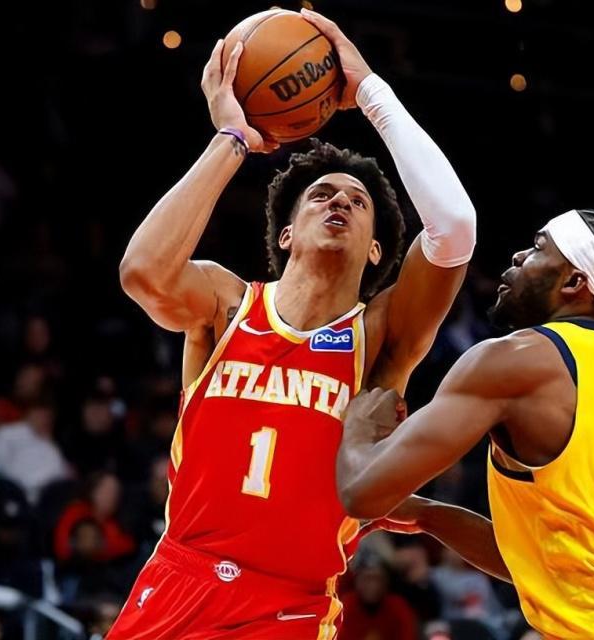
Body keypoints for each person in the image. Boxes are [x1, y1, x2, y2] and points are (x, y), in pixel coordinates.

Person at [108, 8, 476, 639]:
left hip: (290, 605)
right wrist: (232, 139)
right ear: (286, 233)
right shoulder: (227, 304)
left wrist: (370, 93)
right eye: (322, 195)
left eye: (358, 202)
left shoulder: (380, 336)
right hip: (177, 581)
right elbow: (142, 273)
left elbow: (455, 227)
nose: (340, 201)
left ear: (375, 251)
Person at [337, 209, 594, 638]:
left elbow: (362, 492)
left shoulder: (519, 359)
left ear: (574, 282)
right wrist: (427, 515)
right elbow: (550, 564)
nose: (519, 255)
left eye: (539, 248)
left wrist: (358, 424)